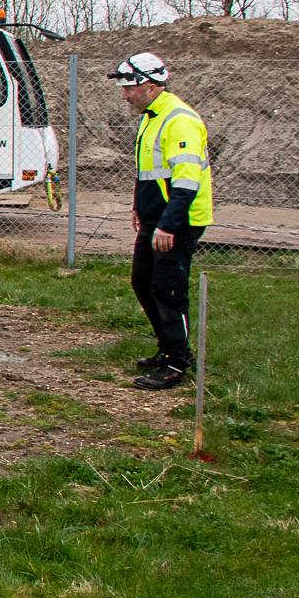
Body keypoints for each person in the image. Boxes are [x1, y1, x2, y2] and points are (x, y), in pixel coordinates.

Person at [111, 53, 212, 390]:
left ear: (151, 86)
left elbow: (186, 182)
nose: (125, 96)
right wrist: (140, 207)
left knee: (167, 290)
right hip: (155, 217)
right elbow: (149, 173)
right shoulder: (151, 116)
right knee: (143, 280)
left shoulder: (179, 120)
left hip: (177, 221)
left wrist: (168, 225)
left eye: (130, 89)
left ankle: (176, 364)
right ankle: (170, 347)